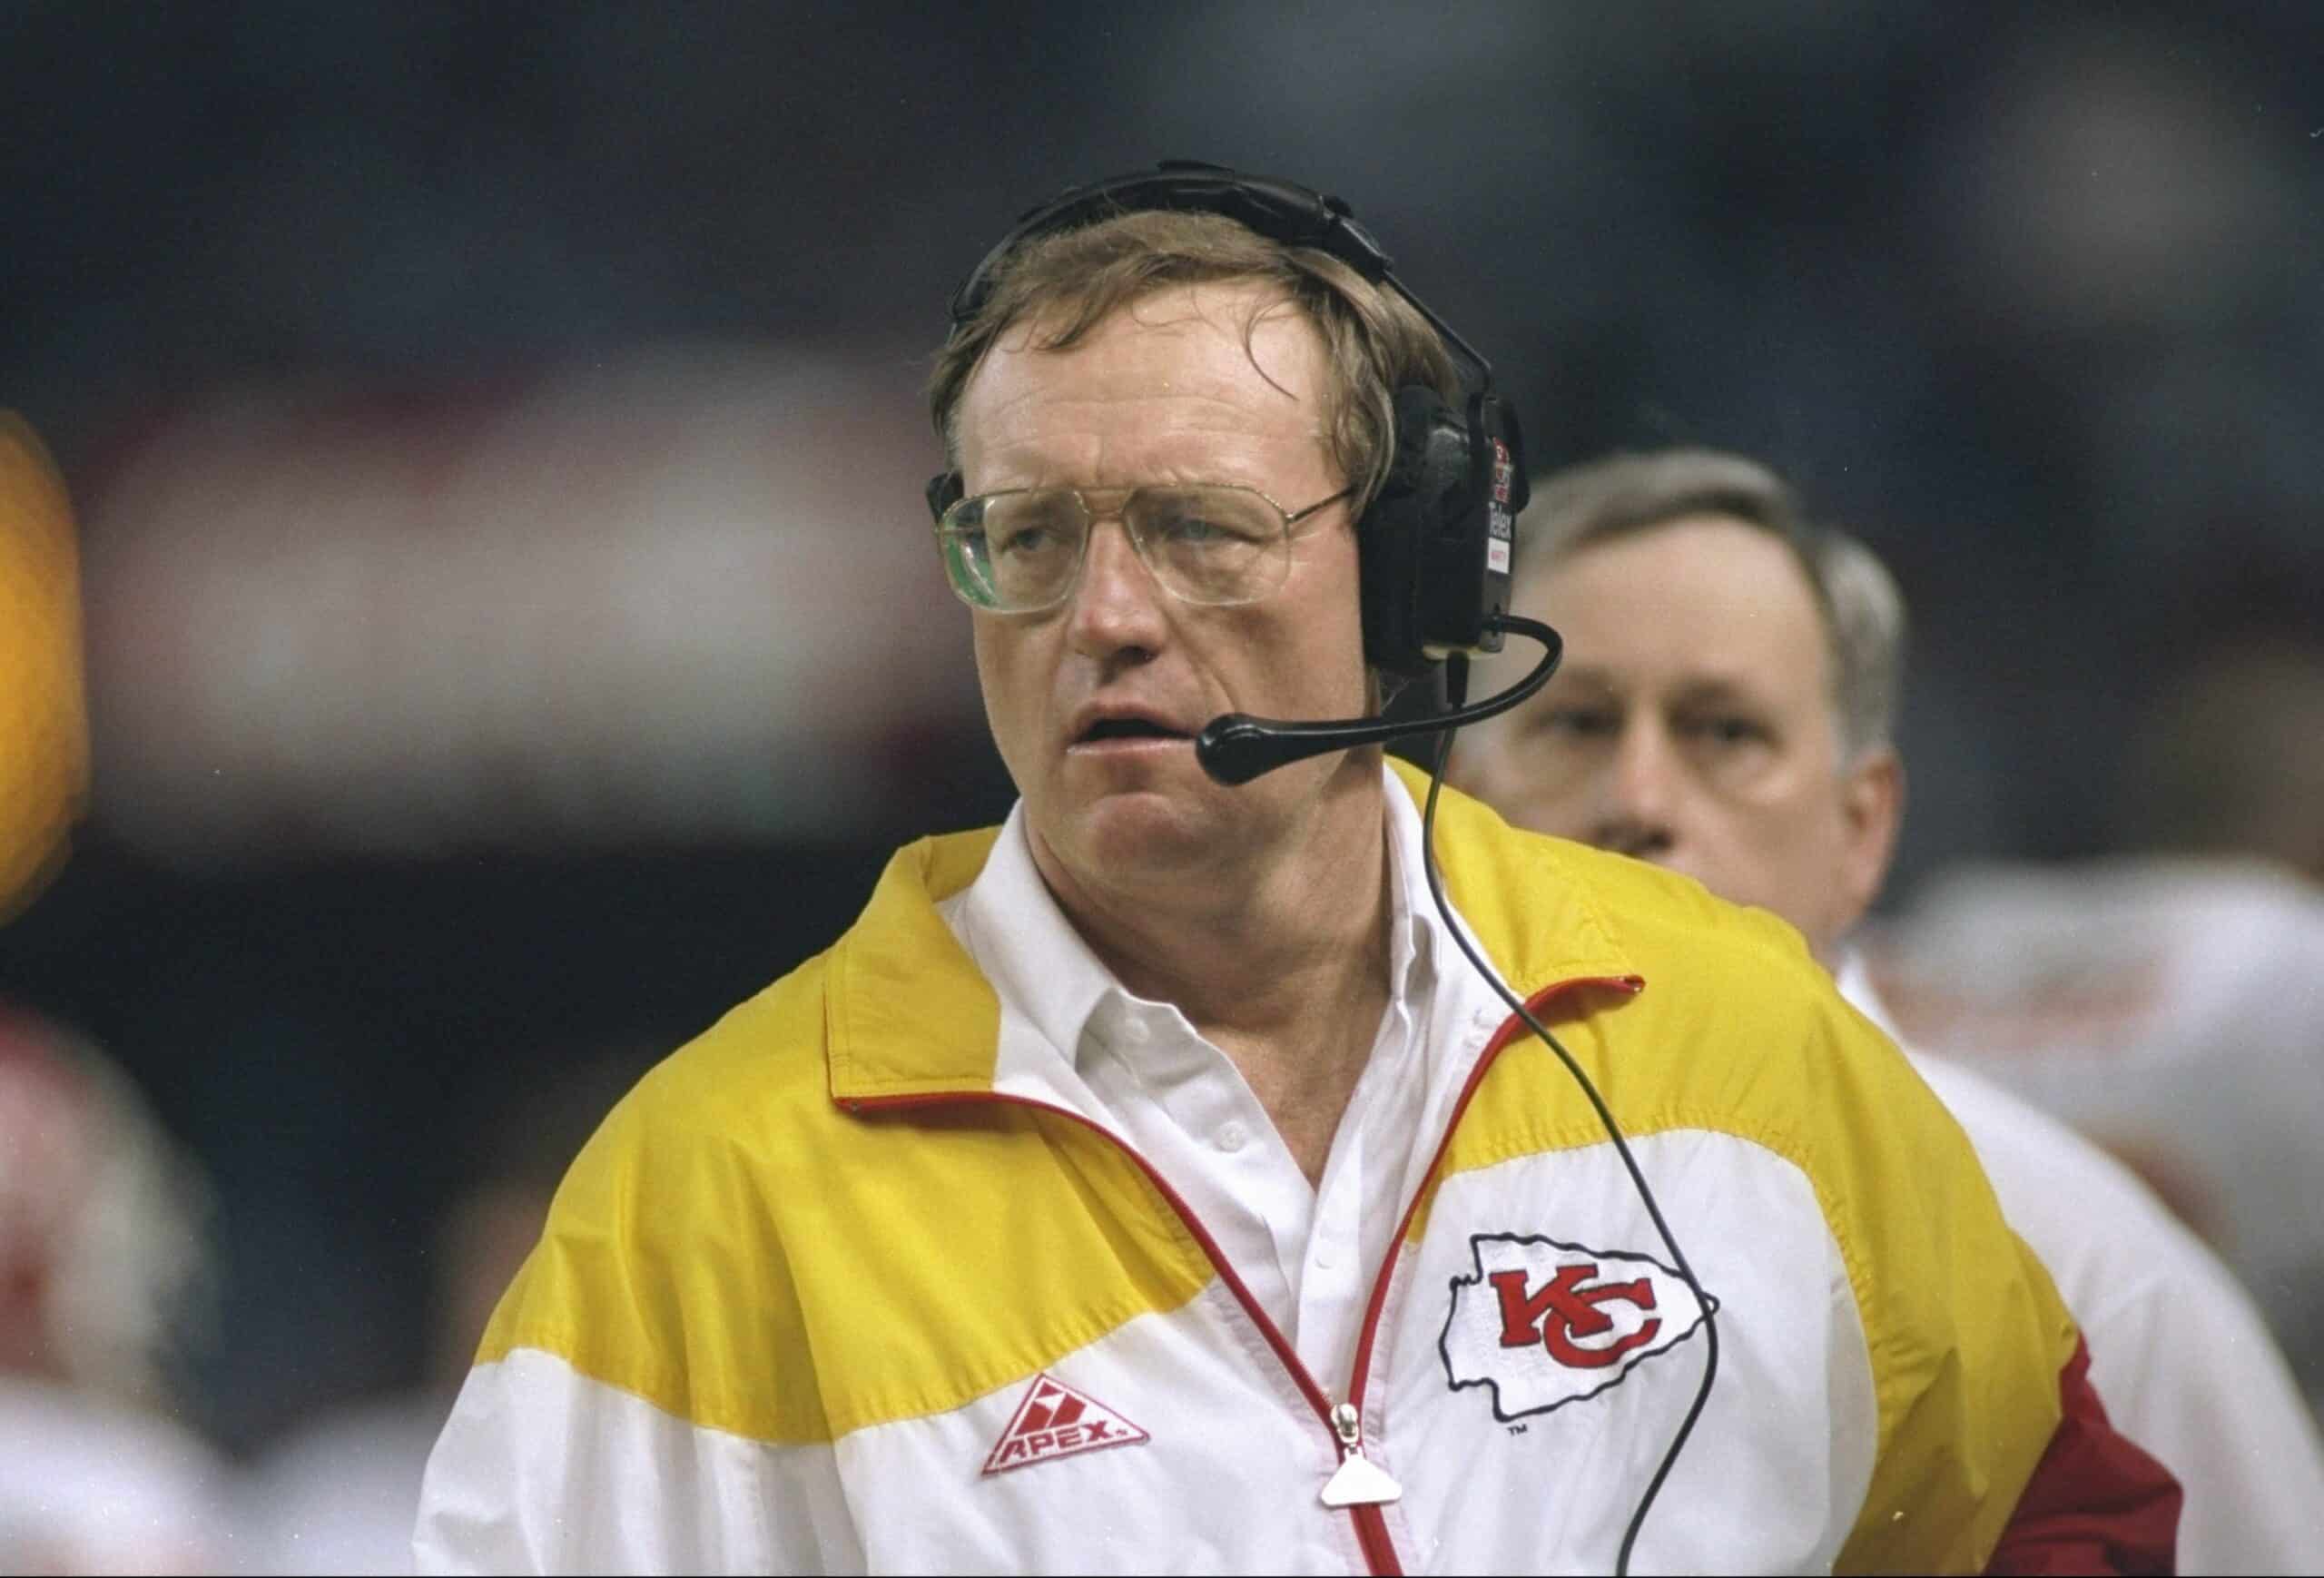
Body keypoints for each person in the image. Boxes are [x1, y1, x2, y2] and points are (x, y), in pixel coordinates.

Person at [414, 166, 2179, 1573]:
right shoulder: (701, 1198)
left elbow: (2054, 1516)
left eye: (1195, 526)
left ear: (1413, 583)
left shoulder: (1734, 1035)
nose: (1103, 618)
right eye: (1027, 536)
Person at [1450, 446, 2324, 1572]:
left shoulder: (2078, 1266)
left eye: (1724, 732)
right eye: (1574, 725)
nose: (1639, 801)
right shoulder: (1326, 1200)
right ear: (1464, 807)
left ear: (1860, 828)